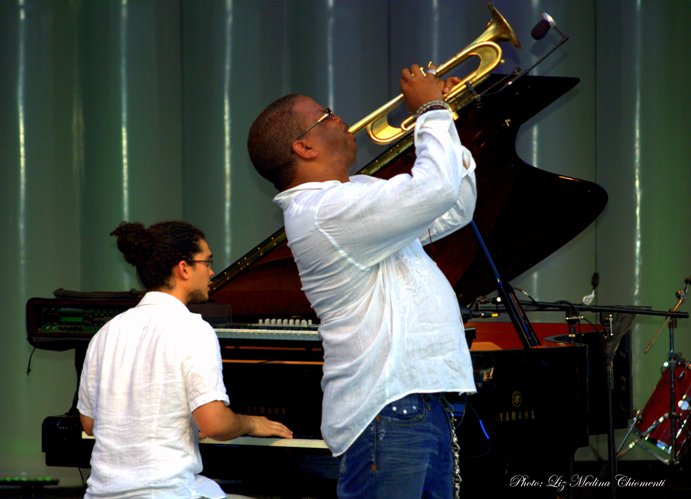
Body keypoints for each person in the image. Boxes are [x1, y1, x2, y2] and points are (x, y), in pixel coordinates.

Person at [246, 64, 477, 498]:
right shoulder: (324, 210)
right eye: (326, 115)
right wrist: (430, 109)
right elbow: (435, 190)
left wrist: (448, 113)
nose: (340, 117)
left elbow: (454, 207)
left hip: (415, 402)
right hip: (390, 407)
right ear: (303, 146)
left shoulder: (355, 192)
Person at [77, 221, 293, 498]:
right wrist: (252, 423)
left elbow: (90, 423)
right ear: (184, 268)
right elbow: (215, 424)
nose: (212, 271)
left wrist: (180, 423)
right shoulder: (193, 329)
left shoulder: (106, 332)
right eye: (208, 261)